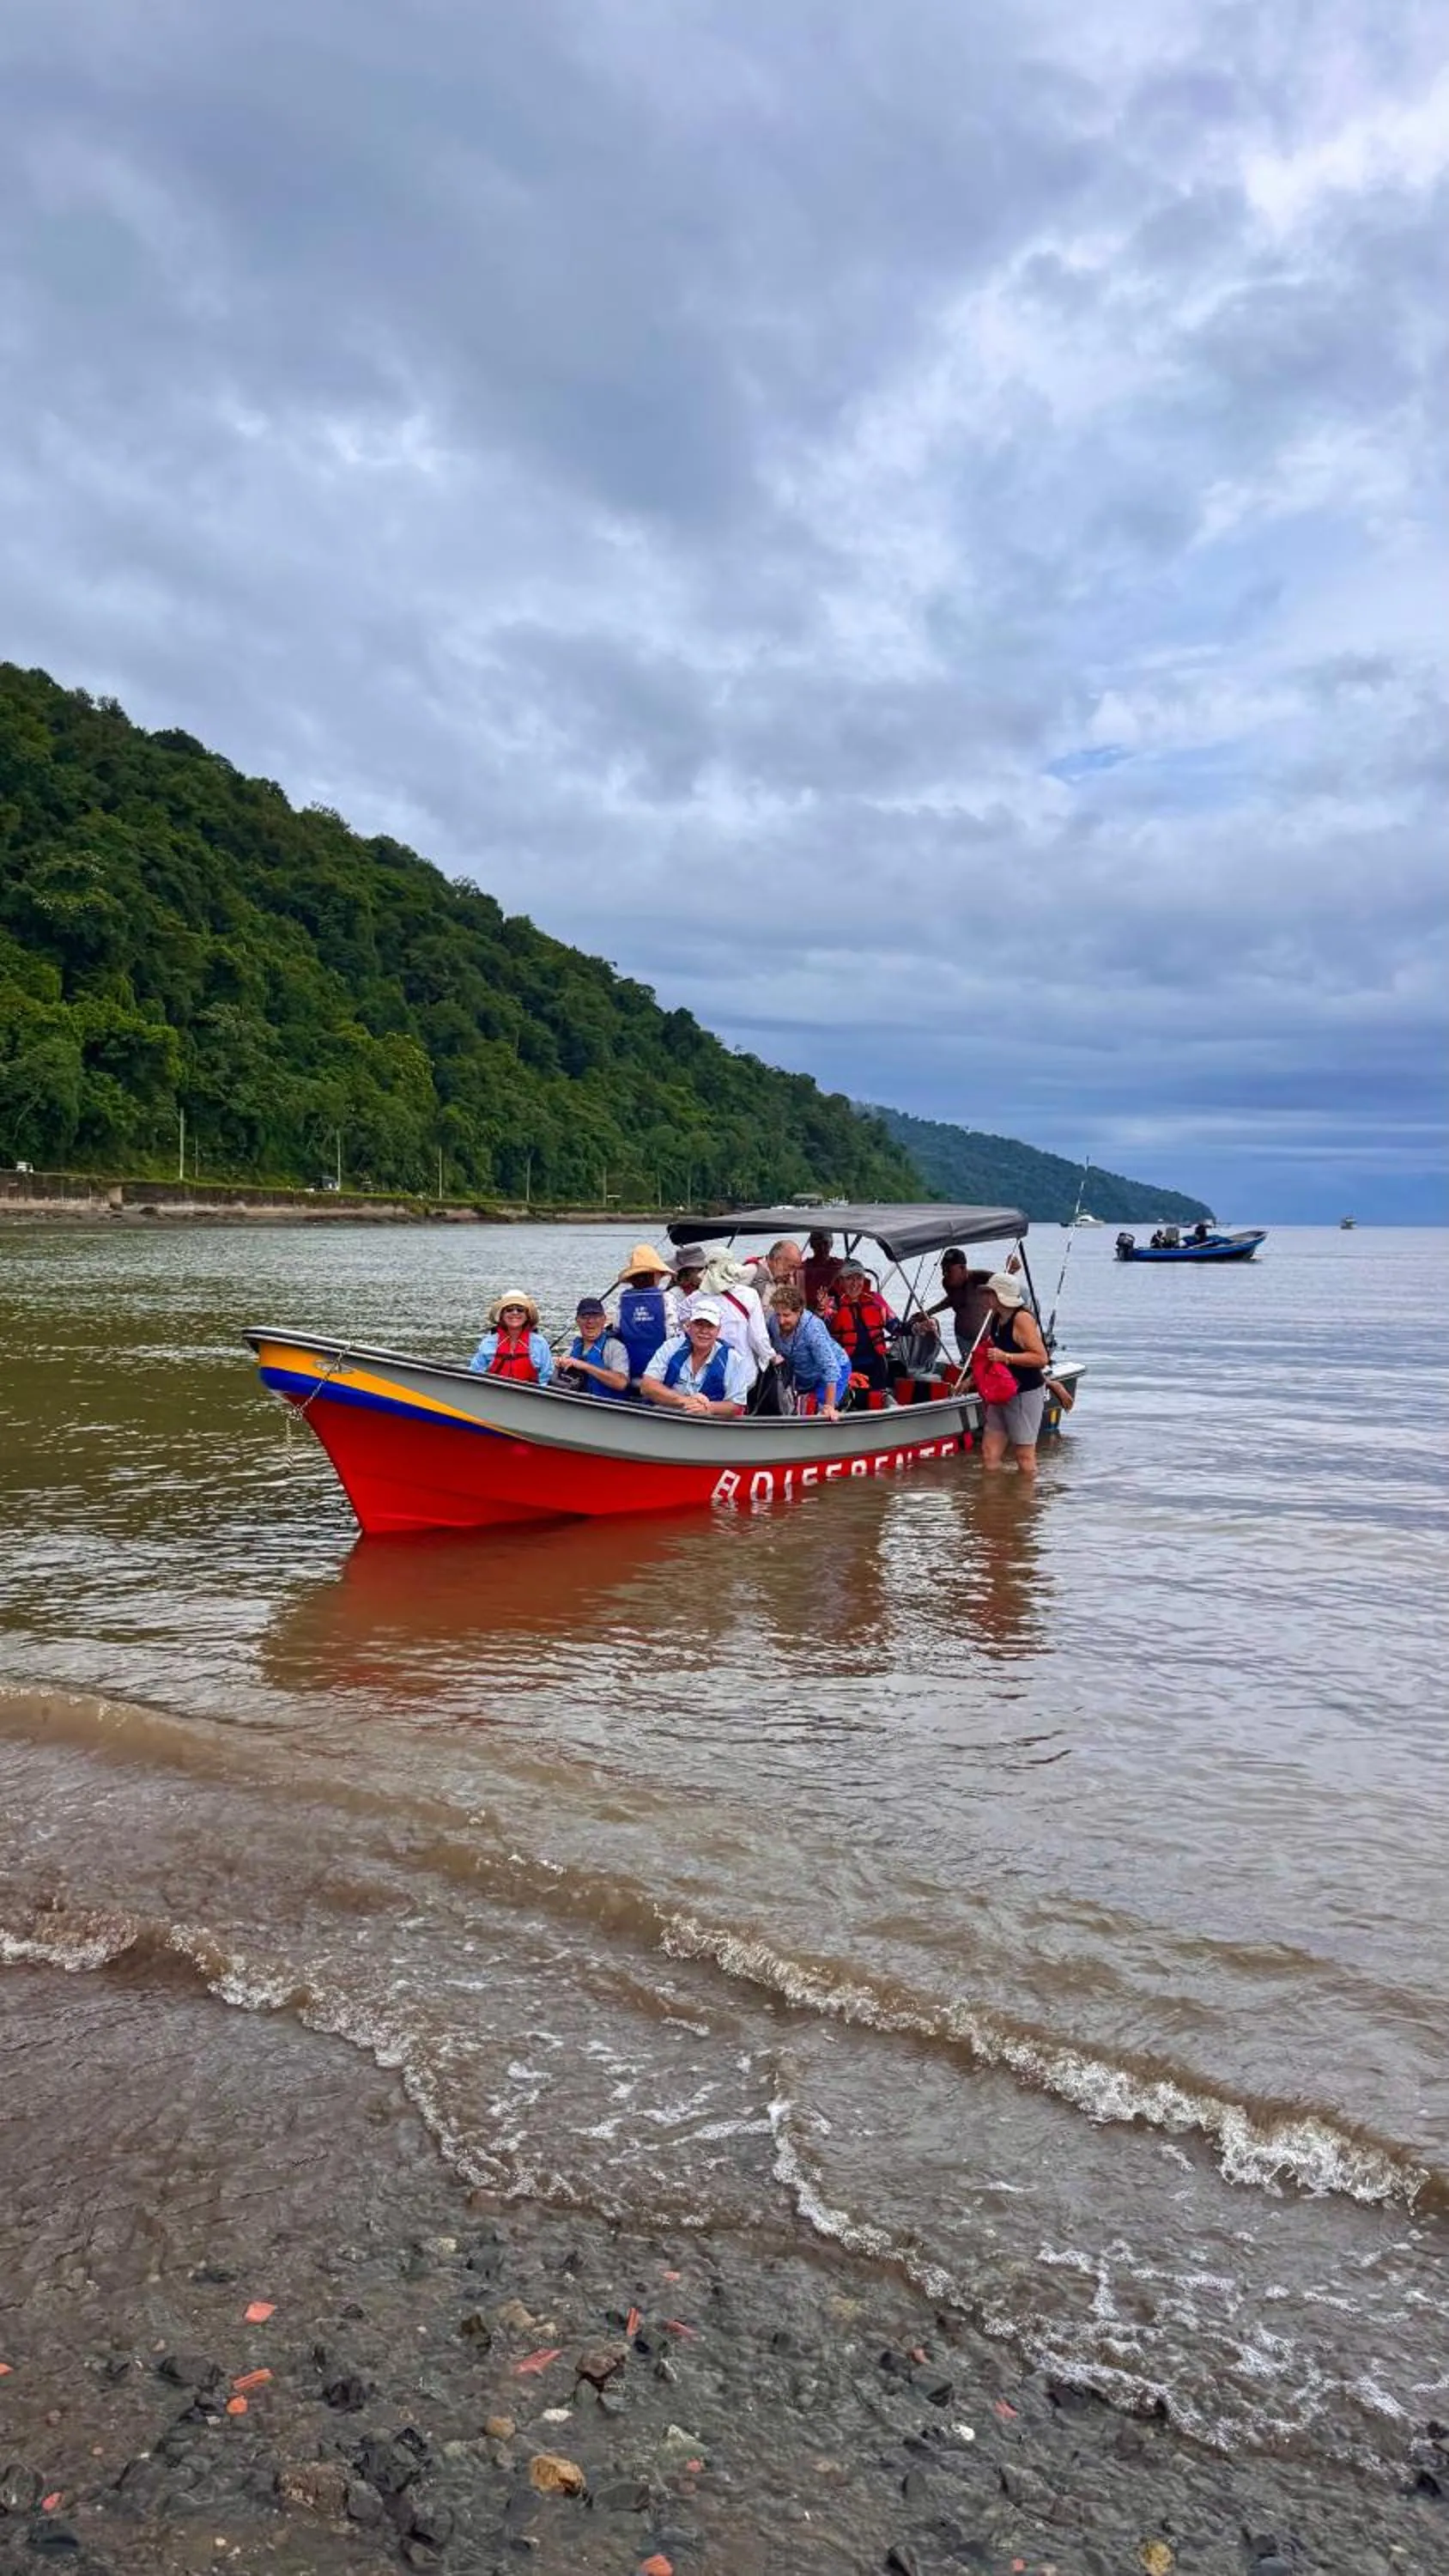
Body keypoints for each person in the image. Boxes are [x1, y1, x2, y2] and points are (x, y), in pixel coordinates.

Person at [979, 1271, 1051, 1477]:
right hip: (1001, 1391)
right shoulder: (996, 1318)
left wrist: (1007, 1357)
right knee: (989, 1452)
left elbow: (1041, 1358)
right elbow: (991, 1353)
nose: (985, 1298)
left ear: (1000, 1296)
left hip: (1025, 1392)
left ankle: (1026, 1504)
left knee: (1024, 1455)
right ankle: (995, 1503)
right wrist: (971, 1379)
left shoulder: (1022, 1319)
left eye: (989, 1294)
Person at [640, 1298, 752, 1417]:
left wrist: (709, 1408)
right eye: (699, 1324)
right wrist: (686, 1401)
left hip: (708, 1426)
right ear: (689, 1327)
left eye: (710, 1326)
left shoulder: (733, 1358)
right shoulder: (670, 1346)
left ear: (718, 1330)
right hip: (665, 1419)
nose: (704, 1331)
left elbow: (736, 1405)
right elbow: (647, 1386)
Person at [678, 1251, 773, 1387]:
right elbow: (758, 1337)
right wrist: (770, 1356)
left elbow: (681, 1324)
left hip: (705, 1373)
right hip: (742, 1372)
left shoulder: (695, 1297)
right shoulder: (749, 1295)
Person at [767, 1285, 851, 1417]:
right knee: (792, 1408)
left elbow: (830, 1369)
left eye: (786, 1315)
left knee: (819, 1410)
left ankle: (845, 1395)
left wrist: (829, 1407)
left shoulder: (812, 1330)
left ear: (799, 1312)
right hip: (803, 1370)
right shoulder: (773, 1322)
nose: (781, 1321)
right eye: (778, 1314)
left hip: (834, 1368)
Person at [931, 1246, 1021, 1358]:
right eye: (942, 1269)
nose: (944, 1273)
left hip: (985, 1339)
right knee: (968, 1367)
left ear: (963, 1268)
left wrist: (1011, 1271)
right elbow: (953, 1300)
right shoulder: (947, 1283)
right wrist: (930, 1312)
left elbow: (1004, 1284)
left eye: (948, 1270)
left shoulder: (980, 1278)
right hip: (962, 1338)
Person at [612, 1242, 683, 1382]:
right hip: (659, 1372)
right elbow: (673, 1335)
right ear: (655, 1275)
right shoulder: (666, 1298)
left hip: (632, 1368)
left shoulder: (623, 1299)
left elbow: (616, 1328)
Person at [828, 1256, 899, 1398]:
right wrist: (819, 1311)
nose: (855, 1283)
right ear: (841, 1281)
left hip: (876, 1364)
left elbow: (896, 1327)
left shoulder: (876, 1300)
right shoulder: (831, 1304)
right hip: (845, 1366)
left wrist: (918, 1327)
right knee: (854, 1399)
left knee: (877, 1398)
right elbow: (818, 1330)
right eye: (849, 1278)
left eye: (859, 1278)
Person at [470, 1291, 555, 1384]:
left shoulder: (540, 1343)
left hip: (530, 1396)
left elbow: (546, 1378)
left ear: (527, 1316)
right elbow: (475, 1373)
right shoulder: (488, 1343)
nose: (515, 1313)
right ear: (502, 1315)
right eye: (509, 1309)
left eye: (520, 1310)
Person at [555, 1297, 630, 1400]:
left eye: (595, 1316)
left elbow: (621, 1383)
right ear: (577, 1321)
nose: (590, 1321)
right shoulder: (571, 1351)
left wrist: (585, 1366)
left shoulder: (615, 1347)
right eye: (585, 1317)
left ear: (604, 1319)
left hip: (607, 1408)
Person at [803, 1230, 843, 1314]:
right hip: (810, 1311)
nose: (822, 1248)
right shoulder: (803, 1267)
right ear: (812, 1245)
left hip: (836, 1309)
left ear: (831, 1244)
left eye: (825, 1243)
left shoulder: (841, 1265)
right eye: (818, 1244)